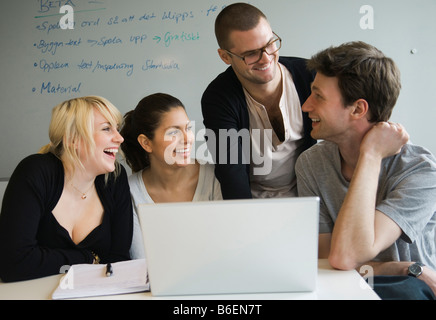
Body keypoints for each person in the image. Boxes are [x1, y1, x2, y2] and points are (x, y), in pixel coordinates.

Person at [295, 41, 436, 299]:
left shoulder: (421, 172)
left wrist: (370, 155)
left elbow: (346, 256)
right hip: (351, 287)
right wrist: (400, 268)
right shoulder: (311, 164)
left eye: (318, 96)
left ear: (358, 109)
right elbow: (331, 264)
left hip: (404, 293)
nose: (306, 106)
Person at [0, 96, 133, 282]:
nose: (119, 138)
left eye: (117, 128)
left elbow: (119, 262)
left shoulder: (115, 179)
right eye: (106, 128)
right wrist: (89, 258)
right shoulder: (35, 172)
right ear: (72, 139)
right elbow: (13, 264)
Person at [201, 3, 316, 199]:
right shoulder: (218, 98)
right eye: (251, 54)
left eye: (270, 44)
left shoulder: (309, 75)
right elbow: (231, 172)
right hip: (253, 202)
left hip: (309, 195)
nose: (266, 59)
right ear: (225, 57)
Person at [120, 93, 222, 259]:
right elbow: (142, 263)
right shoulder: (129, 191)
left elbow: (223, 249)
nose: (187, 139)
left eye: (188, 128)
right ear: (146, 143)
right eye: (173, 132)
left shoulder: (214, 177)